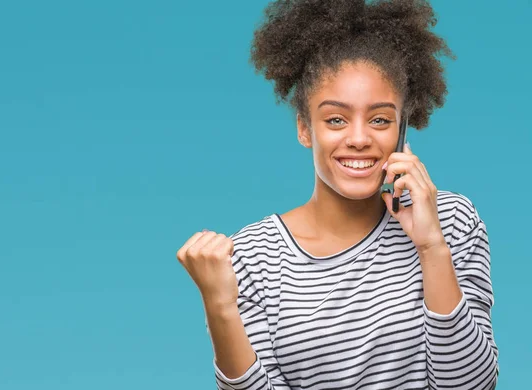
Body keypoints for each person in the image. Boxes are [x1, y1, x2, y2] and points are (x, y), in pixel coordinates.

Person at [176, 0, 499, 388]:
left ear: (402, 129)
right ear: (304, 129)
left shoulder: (452, 220)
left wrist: (431, 247)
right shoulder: (252, 257)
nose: (359, 139)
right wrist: (220, 307)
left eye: (380, 119)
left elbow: (472, 385)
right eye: (335, 120)